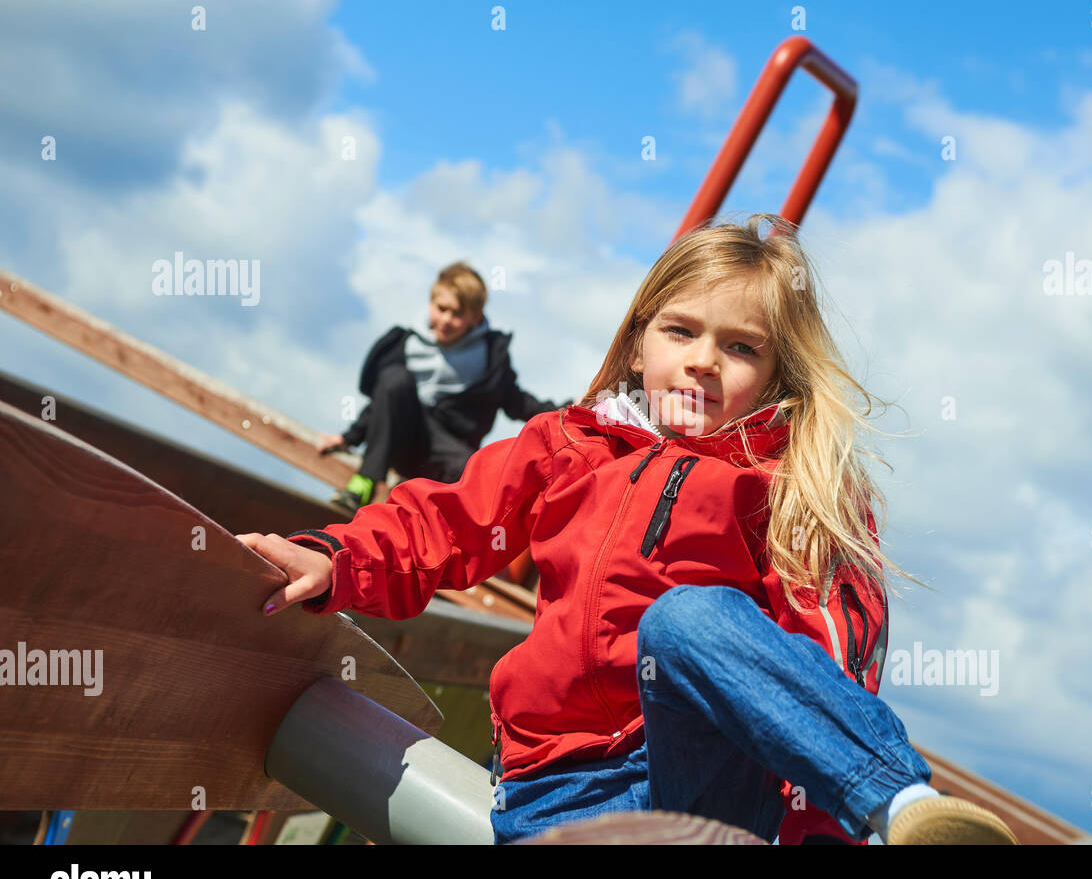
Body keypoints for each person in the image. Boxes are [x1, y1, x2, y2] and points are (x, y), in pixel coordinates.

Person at [238, 214, 1017, 845]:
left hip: (709, 782)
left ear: (777, 373)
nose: (703, 361)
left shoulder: (787, 487)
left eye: (741, 347)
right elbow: (449, 521)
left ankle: (904, 806)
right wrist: (335, 555)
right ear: (641, 337)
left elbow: (829, 653)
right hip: (558, 785)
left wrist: (813, 822)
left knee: (688, 618)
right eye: (681, 332)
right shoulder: (571, 445)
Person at [318, 261, 569, 511]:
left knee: (476, 473)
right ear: (431, 303)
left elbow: (518, 401)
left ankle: (425, 512)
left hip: (445, 451)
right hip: (403, 441)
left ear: (475, 317)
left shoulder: (490, 357)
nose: (446, 319)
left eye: (457, 313)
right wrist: (349, 437)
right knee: (395, 378)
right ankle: (363, 483)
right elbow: (385, 402)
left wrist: (562, 413)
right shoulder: (405, 344)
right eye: (441, 309)